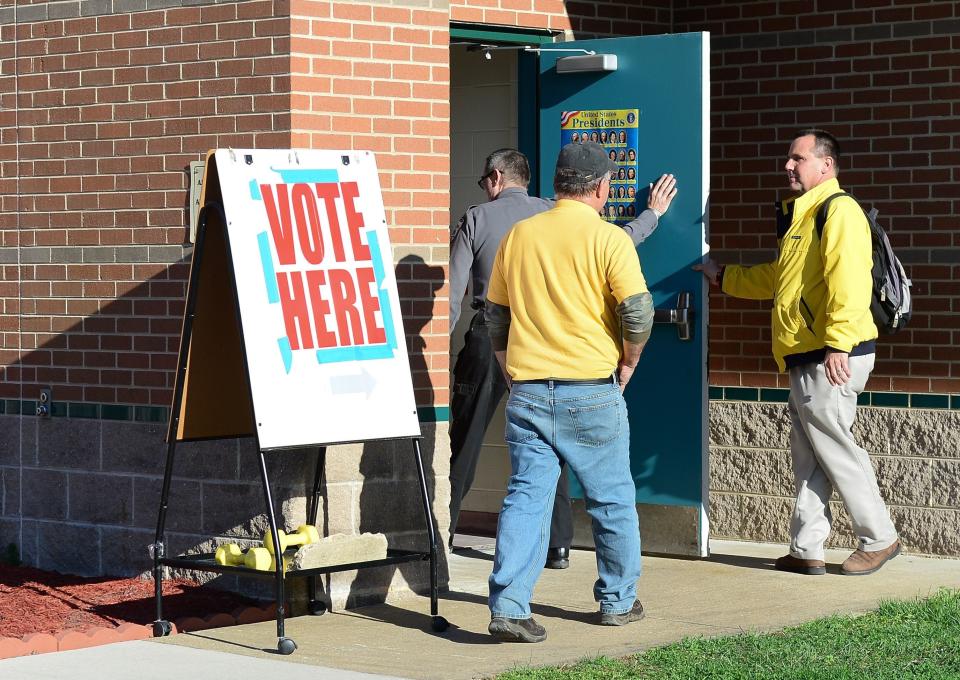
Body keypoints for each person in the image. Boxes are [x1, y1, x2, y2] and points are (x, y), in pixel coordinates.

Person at [449, 149, 677, 570]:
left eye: (484, 180)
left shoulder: (485, 221)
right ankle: (565, 551)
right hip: (568, 357)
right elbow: (625, 261)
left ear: (496, 178)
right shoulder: (580, 224)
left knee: (473, 449)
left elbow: (459, 298)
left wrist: (441, 356)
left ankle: (450, 540)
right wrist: (652, 215)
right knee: (580, 472)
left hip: (502, 348)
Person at [693, 129, 900, 577]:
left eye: (798, 158)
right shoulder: (802, 218)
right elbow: (779, 279)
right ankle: (807, 548)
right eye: (789, 159)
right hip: (809, 353)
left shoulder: (838, 211)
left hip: (833, 354)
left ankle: (880, 537)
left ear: (826, 165)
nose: (788, 166)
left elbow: (850, 282)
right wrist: (723, 276)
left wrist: (839, 344)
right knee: (810, 454)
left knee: (836, 448)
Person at [484, 141, 654, 643]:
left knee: (527, 497)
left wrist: (506, 366)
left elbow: (495, 313)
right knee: (611, 499)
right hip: (591, 390)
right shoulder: (609, 240)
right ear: (602, 187)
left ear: (557, 184)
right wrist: (629, 361)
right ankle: (617, 602)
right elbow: (638, 311)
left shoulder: (519, 235)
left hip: (529, 391)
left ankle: (510, 606)